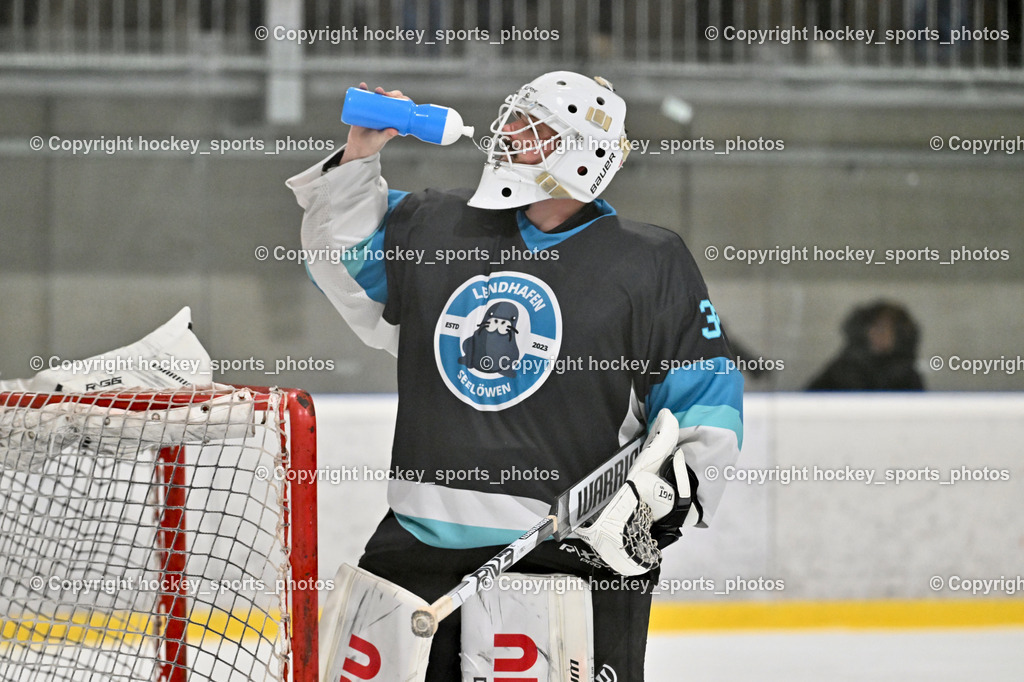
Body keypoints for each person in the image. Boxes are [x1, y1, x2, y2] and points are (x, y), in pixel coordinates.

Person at [287, 71, 743, 681]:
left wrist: (652, 511)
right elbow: (342, 264)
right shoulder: (439, 226)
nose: (507, 135)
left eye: (533, 127)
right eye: (514, 119)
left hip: (570, 561)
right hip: (415, 549)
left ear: (582, 155)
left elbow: (704, 408)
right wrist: (360, 154)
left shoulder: (650, 262)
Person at [806, 300, 924, 391]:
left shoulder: (907, 375)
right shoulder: (842, 370)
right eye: (877, 326)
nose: (882, 333)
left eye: (891, 329)